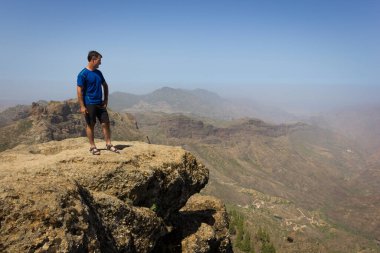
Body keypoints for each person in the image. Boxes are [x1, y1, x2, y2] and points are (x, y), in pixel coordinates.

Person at [77, 50, 119, 155]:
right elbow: (79, 90)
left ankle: (108, 144)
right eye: (99, 60)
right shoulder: (83, 74)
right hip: (89, 103)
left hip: (100, 103)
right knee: (90, 124)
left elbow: (105, 85)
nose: (100, 63)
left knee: (106, 123)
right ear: (93, 59)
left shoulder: (98, 73)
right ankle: (92, 146)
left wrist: (105, 100)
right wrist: (82, 106)